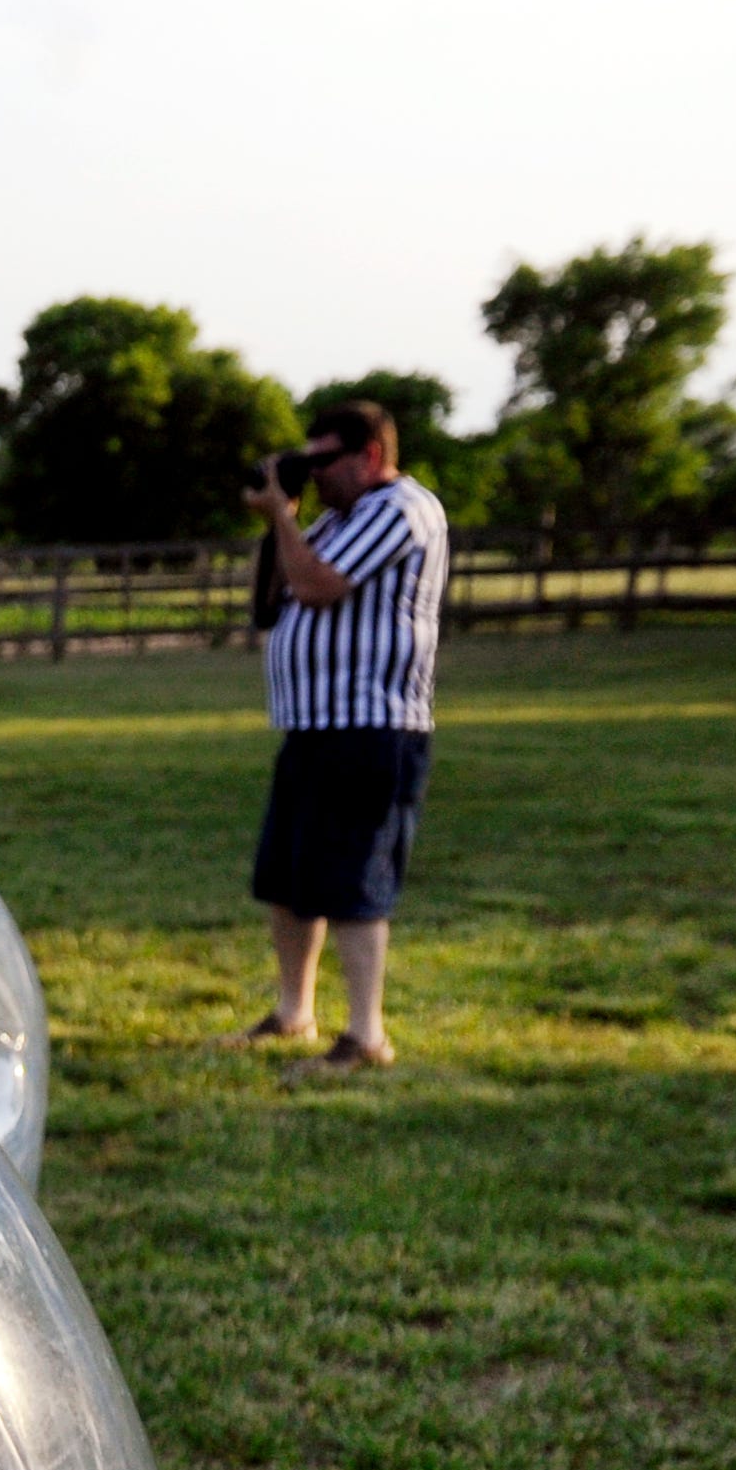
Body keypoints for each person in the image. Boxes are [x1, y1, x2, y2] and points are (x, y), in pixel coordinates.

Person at [240, 397, 448, 1073]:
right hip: (313, 725)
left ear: (369, 455)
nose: (314, 473)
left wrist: (280, 519)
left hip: (370, 726)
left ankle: (365, 1035)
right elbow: (273, 600)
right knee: (289, 879)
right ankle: (293, 1012)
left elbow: (319, 586)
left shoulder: (399, 509)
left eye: (323, 460)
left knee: (354, 882)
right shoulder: (334, 522)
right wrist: (283, 522)